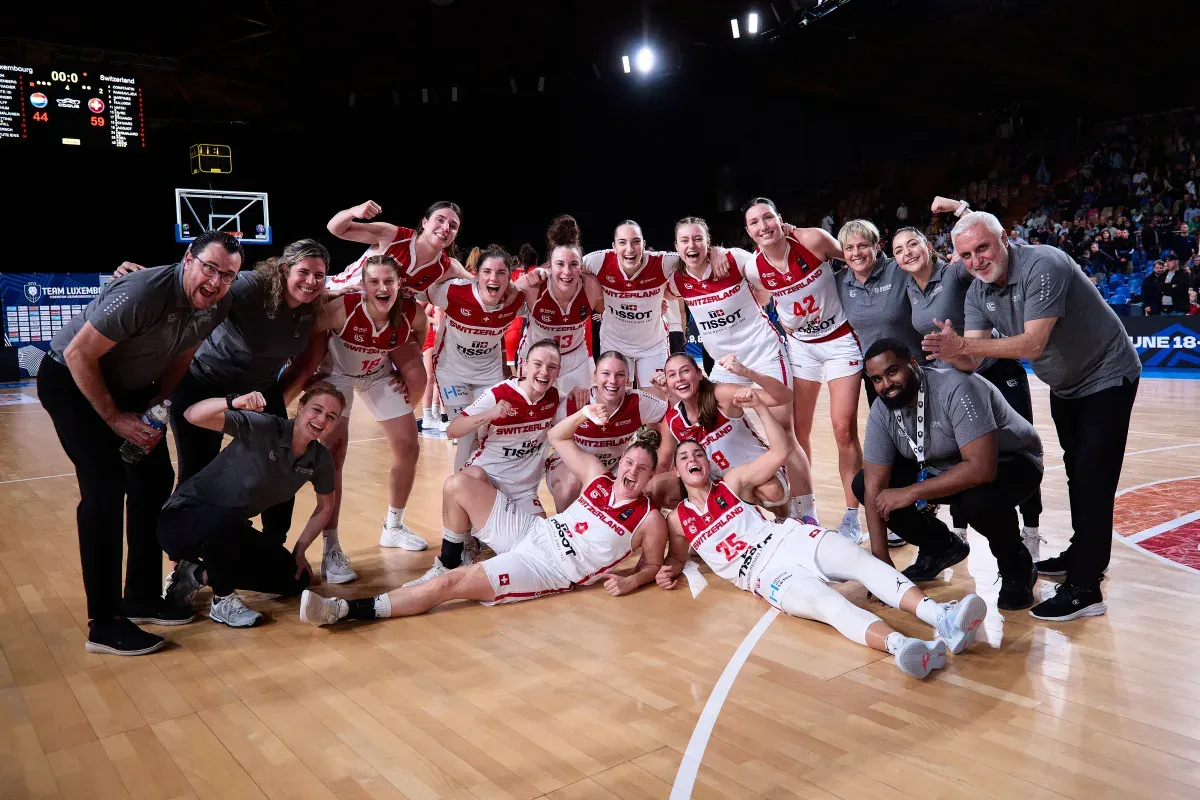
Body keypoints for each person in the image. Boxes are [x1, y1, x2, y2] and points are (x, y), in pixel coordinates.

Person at [657, 391, 988, 680]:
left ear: (707, 462)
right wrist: (667, 570)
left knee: (861, 562)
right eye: (684, 457)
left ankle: (942, 616)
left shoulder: (732, 483)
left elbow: (783, 449)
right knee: (829, 606)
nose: (692, 459)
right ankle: (903, 647)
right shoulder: (679, 520)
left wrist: (759, 406)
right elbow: (675, 556)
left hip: (789, 539)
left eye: (698, 453)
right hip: (765, 574)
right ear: (677, 470)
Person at [922, 209, 1141, 621]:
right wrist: (948, 350)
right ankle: (1085, 552)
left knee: (1094, 475)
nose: (976, 261)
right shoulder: (978, 293)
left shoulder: (1045, 263)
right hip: (1067, 385)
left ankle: (1085, 588)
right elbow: (970, 359)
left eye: (982, 247)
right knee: (1078, 470)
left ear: (1004, 237)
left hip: (1108, 373)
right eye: (966, 255)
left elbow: (1032, 345)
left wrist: (964, 349)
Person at [37, 231, 242, 655]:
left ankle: (141, 597)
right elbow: (79, 354)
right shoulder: (143, 291)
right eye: (210, 268)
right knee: (104, 491)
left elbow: (183, 356)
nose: (216, 281)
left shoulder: (218, 303)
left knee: (153, 481)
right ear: (188, 260)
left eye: (228, 275)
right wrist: (115, 418)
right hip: (71, 382)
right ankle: (105, 624)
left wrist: (153, 407)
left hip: (130, 391)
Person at [299, 402, 668, 625]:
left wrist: (632, 581)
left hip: (548, 569)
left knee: (449, 587)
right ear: (620, 463)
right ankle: (447, 558)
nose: (632, 472)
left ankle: (343, 610)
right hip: (532, 533)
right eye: (629, 462)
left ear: (651, 476)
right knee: (458, 484)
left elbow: (652, 565)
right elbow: (558, 436)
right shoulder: (597, 479)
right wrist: (585, 413)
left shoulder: (650, 519)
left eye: (642, 469)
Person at [114, 239, 332, 541]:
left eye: (319, 275)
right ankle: (183, 559)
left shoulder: (315, 305)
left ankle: (274, 547)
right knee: (197, 472)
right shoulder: (251, 287)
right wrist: (139, 275)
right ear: (284, 270)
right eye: (304, 272)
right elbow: (196, 281)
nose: (311, 282)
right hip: (204, 386)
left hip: (259, 392)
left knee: (283, 463)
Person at [854, 339, 1044, 609]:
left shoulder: (957, 388)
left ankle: (1017, 567)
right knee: (864, 485)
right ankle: (942, 548)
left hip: (1013, 461)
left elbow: (981, 468)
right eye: (876, 379)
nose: (886, 384)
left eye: (892, 371)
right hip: (945, 465)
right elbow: (874, 483)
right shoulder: (882, 410)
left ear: (914, 364)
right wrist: (880, 559)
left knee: (978, 502)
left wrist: (911, 492)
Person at [893, 225, 1044, 559]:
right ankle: (958, 529)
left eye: (913, 244)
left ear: (928, 246)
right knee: (959, 456)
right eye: (899, 250)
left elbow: (987, 250)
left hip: (997, 372)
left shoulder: (955, 272)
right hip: (958, 383)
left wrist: (960, 209)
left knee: (1022, 450)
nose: (908, 253)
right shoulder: (909, 288)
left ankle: (1031, 531)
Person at [283, 254, 426, 583]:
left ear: (399, 284)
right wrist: (312, 370)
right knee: (336, 453)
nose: (382, 287)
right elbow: (312, 331)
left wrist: (402, 365)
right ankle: (331, 545)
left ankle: (394, 526)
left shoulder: (409, 312)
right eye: (374, 281)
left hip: (378, 374)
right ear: (362, 286)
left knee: (409, 447)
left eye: (389, 281)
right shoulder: (342, 309)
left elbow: (421, 330)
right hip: (338, 375)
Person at [157, 384, 339, 627]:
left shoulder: (320, 459)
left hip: (229, 532)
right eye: (317, 409)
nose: (321, 420)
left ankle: (195, 574)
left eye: (330, 417)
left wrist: (300, 551)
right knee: (226, 521)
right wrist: (232, 401)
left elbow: (325, 507)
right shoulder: (264, 426)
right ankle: (222, 600)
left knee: (295, 579)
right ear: (301, 406)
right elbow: (193, 415)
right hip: (181, 521)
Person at [669, 217, 815, 516]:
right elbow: (658, 292)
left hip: (763, 353)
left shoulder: (734, 259)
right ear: (676, 247)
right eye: (684, 240)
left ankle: (807, 514)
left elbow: (770, 275)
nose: (691, 245)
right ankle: (745, 502)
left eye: (698, 238)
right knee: (718, 429)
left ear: (708, 241)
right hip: (724, 365)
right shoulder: (676, 279)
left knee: (786, 434)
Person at [742, 198, 864, 541]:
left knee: (843, 430)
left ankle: (853, 516)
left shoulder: (812, 240)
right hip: (801, 348)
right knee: (797, 433)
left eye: (768, 217)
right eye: (755, 222)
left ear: (780, 220)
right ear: (749, 232)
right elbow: (762, 299)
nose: (763, 225)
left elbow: (855, 258)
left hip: (840, 339)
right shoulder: (754, 267)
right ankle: (804, 512)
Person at [407, 339, 565, 585]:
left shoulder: (556, 398)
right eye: (538, 364)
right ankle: (456, 552)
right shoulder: (500, 393)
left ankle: (480, 538)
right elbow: (453, 430)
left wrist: (581, 393)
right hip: (488, 482)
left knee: (539, 553)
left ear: (558, 372)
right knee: (465, 478)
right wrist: (490, 414)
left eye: (552, 367)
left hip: (523, 492)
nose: (544, 372)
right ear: (523, 364)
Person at [324, 199, 472, 412]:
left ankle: (396, 417)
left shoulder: (447, 267)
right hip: (342, 301)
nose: (445, 228)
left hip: (381, 320)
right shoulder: (392, 235)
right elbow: (335, 228)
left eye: (453, 225)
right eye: (440, 220)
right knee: (307, 372)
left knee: (416, 378)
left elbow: (483, 286)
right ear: (424, 222)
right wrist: (354, 211)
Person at [655, 352, 808, 518]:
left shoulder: (721, 394)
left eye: (685, 371)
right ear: (668, 383)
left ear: (699, 374)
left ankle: (786, 518)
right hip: (717, 481)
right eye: (672, 375)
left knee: (771, 491)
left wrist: (746, 372)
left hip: (758, 470)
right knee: (656, 487)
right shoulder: (672, 420)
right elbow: (664, 462)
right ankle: (710, 525)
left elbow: (784, 396)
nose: (679, 378)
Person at [428, 245, 527, 470]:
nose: (494, 278)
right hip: (452, 372)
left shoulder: (516, 301)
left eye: (501, 273)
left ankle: (484, 490)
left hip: (487, 374)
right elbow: (416, 288)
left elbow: (540, 306)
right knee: (465, 434)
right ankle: (459, 494)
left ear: (509, 279)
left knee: (490, 434)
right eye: (487, 272)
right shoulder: (454, 292)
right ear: (477, 276)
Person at [546, 350, 670, 510]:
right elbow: (542, 422)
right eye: (606, 373)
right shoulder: (575, 401)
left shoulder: (638, 402)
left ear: (627, 379)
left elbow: (672, 415)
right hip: (567, 469)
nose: (612, 381)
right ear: (594, 375)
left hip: (612, 469)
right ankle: (564, 528)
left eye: (619, 375)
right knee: (572, 482)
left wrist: (664, 457)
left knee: (642, 483)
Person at [582, 220, 683, 388]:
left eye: (636, 242)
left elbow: (696, 256)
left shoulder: (662, 262)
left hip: (653, 346)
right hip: (614, 344)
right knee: (615, 407)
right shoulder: (598, 261)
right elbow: (565, 266)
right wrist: (541, 272)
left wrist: (715, 252)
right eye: (623, 242)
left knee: (656, 407)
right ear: (614, 246)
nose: (630, 249)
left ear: (643, 244)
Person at [518, 216, 602, 393]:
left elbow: (611, 305)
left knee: (578, 414)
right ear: (550, 266)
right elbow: (496, 301)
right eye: (559, 264)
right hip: (538, 360)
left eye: (573, 264)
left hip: (575, 359)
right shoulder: (532, 286)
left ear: (581, 266)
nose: (566, 271)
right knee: (535, 413)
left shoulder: (591, 286)